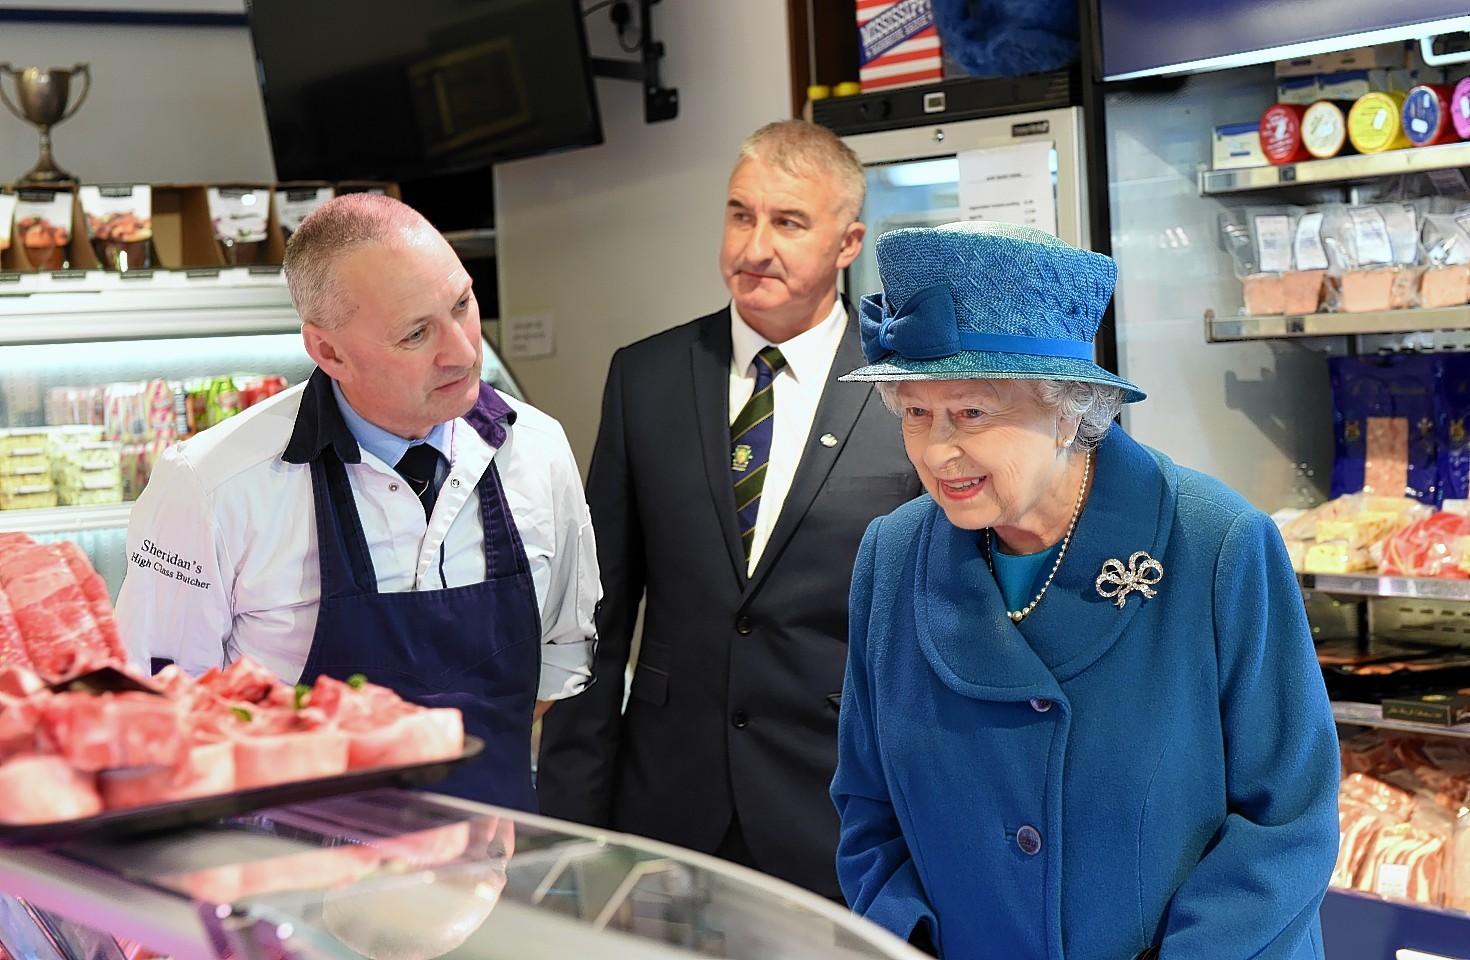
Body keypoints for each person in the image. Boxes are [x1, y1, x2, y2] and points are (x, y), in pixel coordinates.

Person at [831, 220, 1340, 958]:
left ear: (1068, 409)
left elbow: (1288, 822)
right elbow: (866, 804)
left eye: (971, 412)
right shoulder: (892, 555)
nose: (939, 451)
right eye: (916, 412)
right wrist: (909, 939)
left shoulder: (1216, 544)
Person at [535, 119, 922, 899]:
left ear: (848, 244)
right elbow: (596, 619)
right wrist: (570, 830)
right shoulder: (646, 377)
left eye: (788, 222)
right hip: (668, 814)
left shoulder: (907, 393)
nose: (753, 247)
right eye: (741, 214)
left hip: (842, 816)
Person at [115, 192, 598, 811]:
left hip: (495, 866)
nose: (464, 351)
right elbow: (162, 712)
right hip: (295, 882)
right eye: (416, 333)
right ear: (328, 352)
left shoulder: (538, 449)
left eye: (463, 305)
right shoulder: (211, 486)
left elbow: (556, 662)